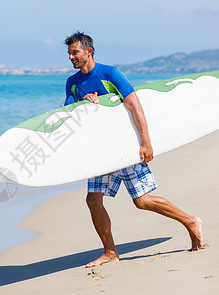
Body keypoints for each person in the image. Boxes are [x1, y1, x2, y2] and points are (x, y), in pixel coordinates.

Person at [63, 31, 203, 267]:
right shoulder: (73, 83)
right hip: (100, 151)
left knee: (143, 201)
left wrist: (146, 142)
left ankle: (191, 221)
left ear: (89, 51)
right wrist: (82, 102)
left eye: (74, 52)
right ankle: (110, 252)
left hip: (124, 147)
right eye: (68, 53)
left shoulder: (109, 73)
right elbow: (67, 113)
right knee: (93, 200)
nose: (70, 57)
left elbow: (135, 106)